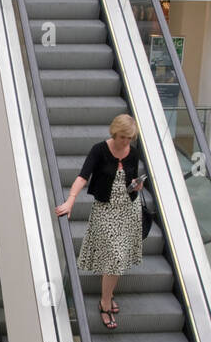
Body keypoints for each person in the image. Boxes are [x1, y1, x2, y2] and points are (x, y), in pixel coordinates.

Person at [55, 114, 145, 330]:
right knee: (114, 259)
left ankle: (109, 293)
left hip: (129, 209)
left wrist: (136, 185)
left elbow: (131, 176)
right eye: (122, 137)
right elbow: (82, 176)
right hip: (106, 210)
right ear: (114, 132)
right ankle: (105, 302)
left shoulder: (132, 152)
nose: (125, 142)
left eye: (129, 138)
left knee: (119, 257)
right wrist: (70, 201)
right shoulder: (99, 150)